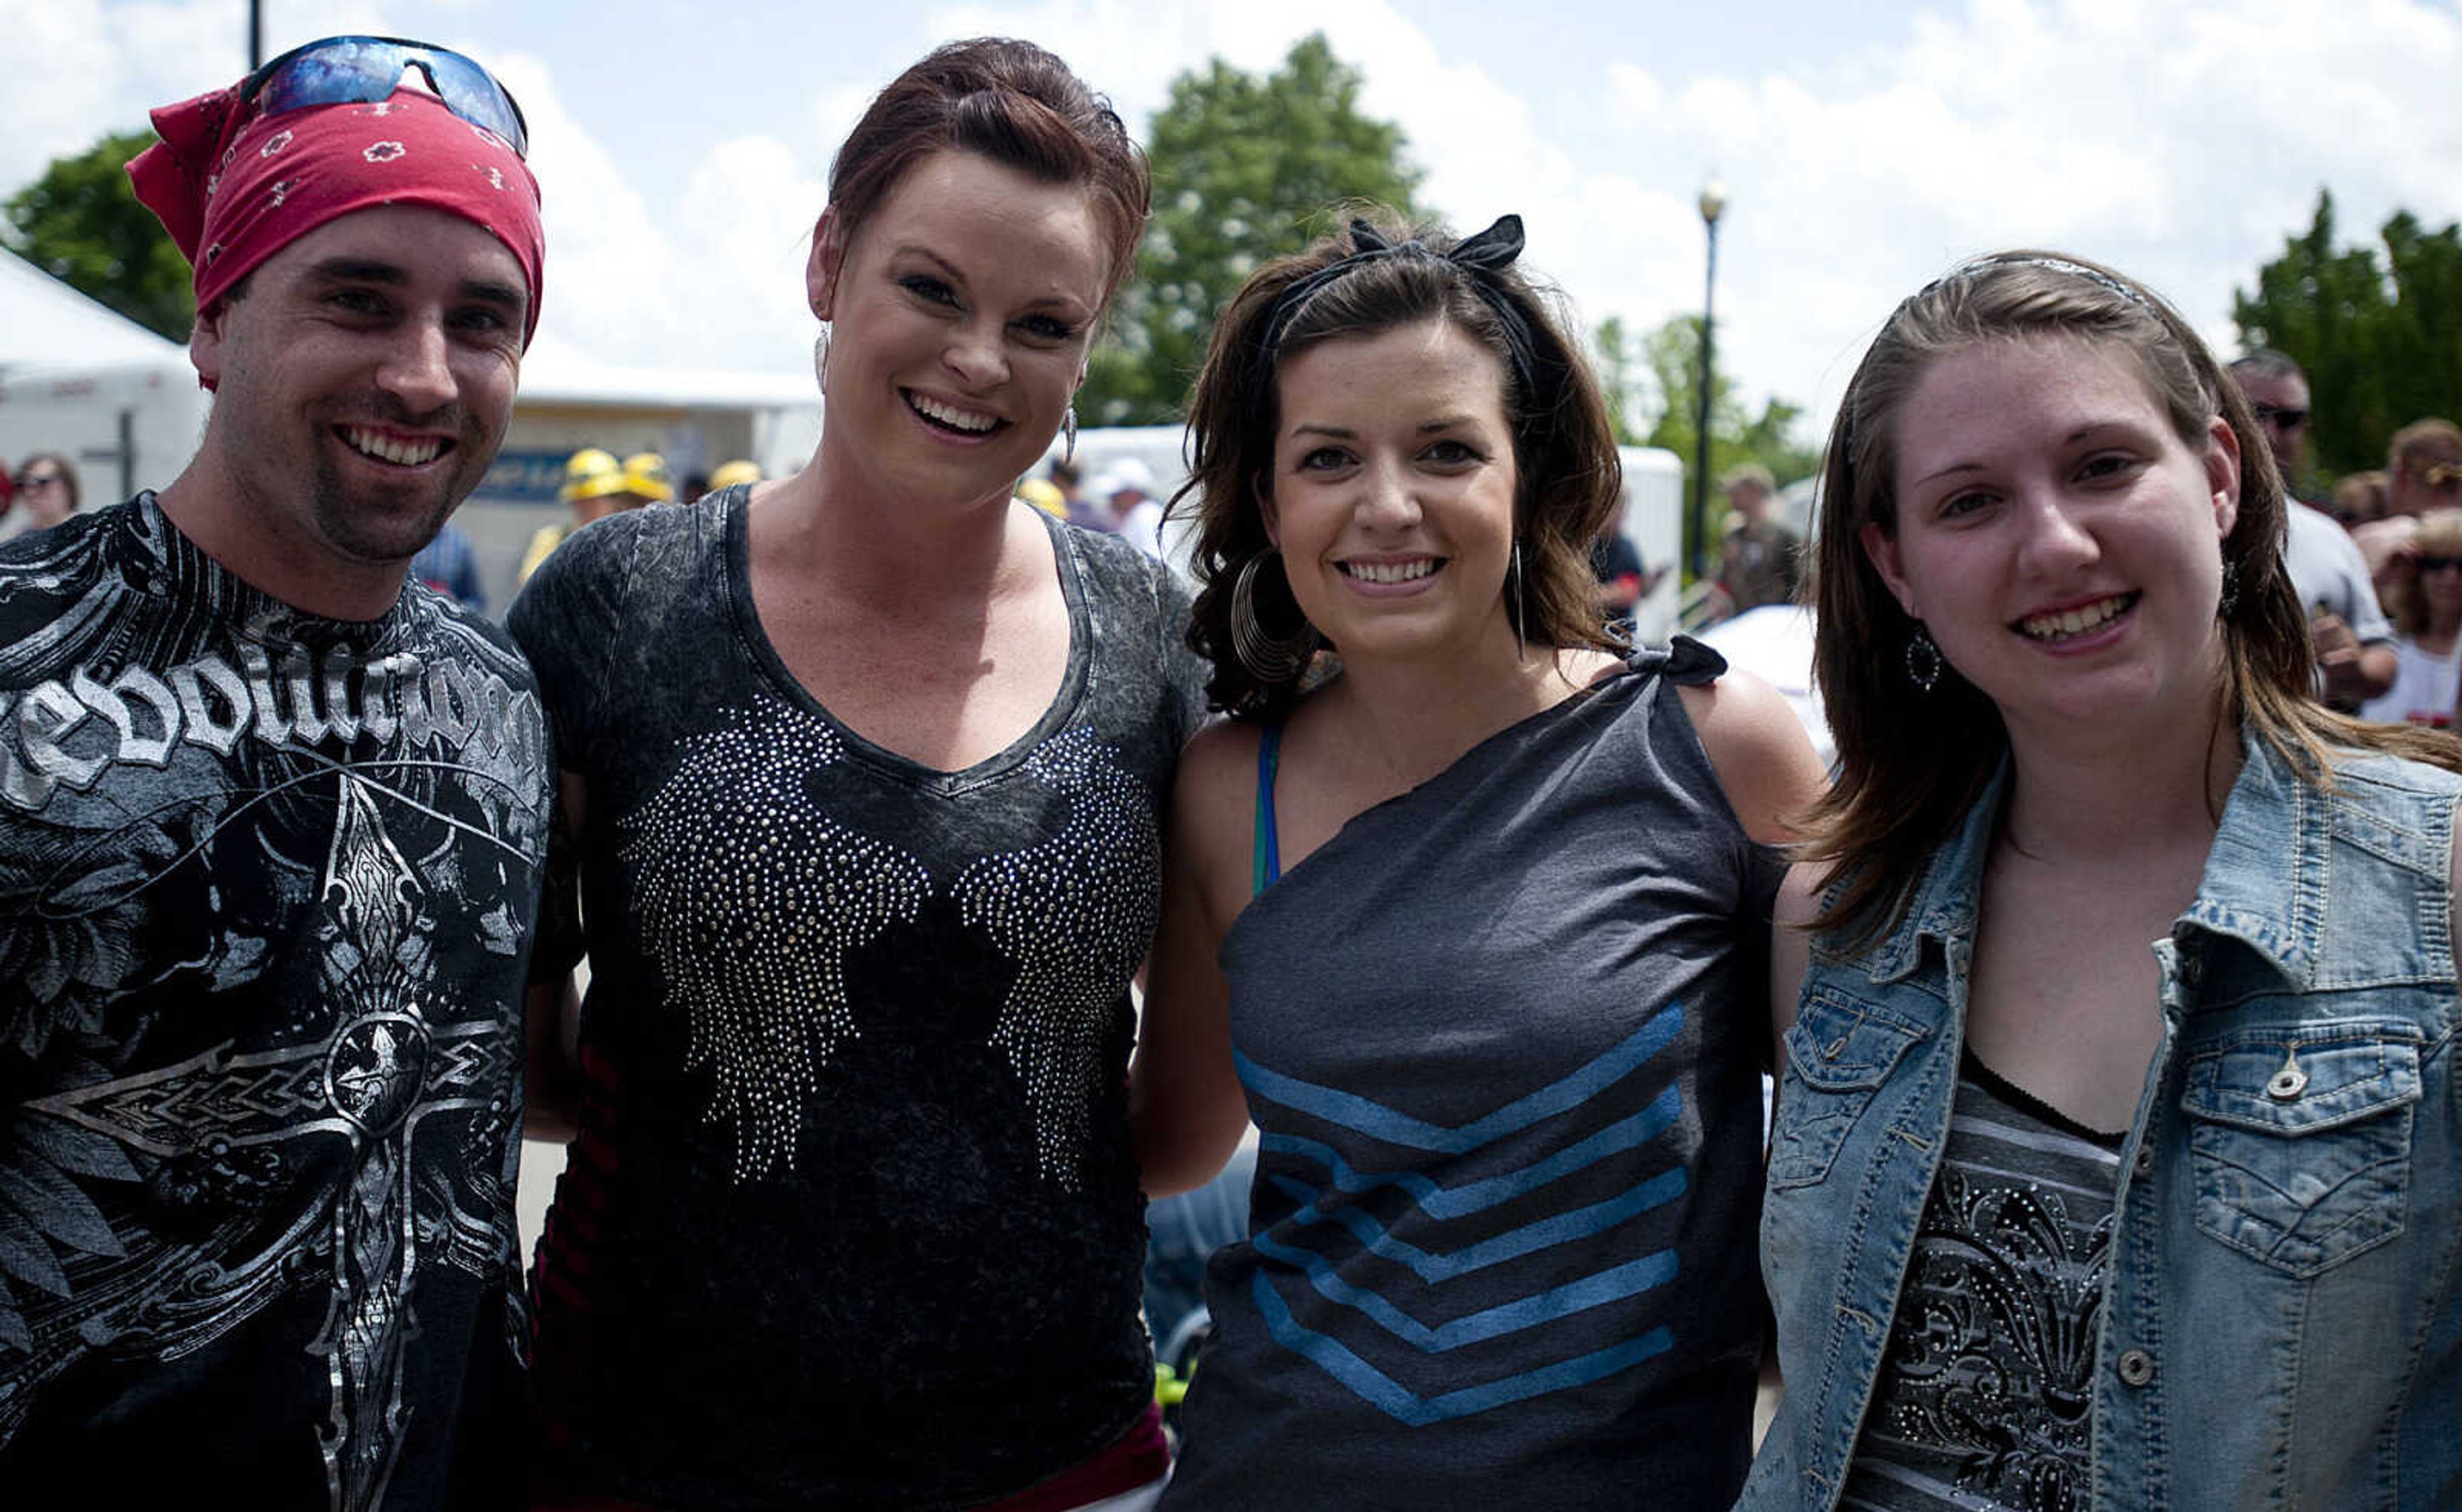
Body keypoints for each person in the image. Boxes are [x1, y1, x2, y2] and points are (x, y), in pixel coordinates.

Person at [508, 38, 1204, 1510]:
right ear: (828, 263)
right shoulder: (611, 606)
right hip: (639, 1447)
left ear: (1085, 352)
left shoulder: (1150, 639)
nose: (976, 359)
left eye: (1042, 323)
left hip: (1049, 1459)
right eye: (930, 288)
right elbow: (519, 1051)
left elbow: (1177, 1125)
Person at [1128, 211, 1826, 1508]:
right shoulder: (1229, 788)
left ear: (1534, 474)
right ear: (1269, 496)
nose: (1386, 504)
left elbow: (1875, 1150)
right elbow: (1168, 1148)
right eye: (1328, 456)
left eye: (1447, 449)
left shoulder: (1714, 748)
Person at [1745, 252, 2462, 1511]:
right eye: (1968, 502)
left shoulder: (2442, 882)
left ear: (2223, 478)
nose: (2057, 542)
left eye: (2102, 466)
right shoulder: (1838, 915)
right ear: (1896, 564)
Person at [0, 37, 551, 1510]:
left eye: (481, 320)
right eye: (358, 299)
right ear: (215, 316)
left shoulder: (501, 700)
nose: (424, 373)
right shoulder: (20, 662)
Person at [2227, 353, 2394, 711]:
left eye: (2288, 419)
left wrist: (2355, 667)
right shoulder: (2174, 530)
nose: (2269, 434)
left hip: (2313, 755)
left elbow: (2382, 654)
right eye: (2254, 414)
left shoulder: (2328, 537)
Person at [2360, 506, 2462, 728]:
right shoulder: (2386, 642)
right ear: (2416, 571)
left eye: (2461, 566)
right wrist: (2381, 580)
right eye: (2435, 564)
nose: (2450, 576)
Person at [1714, 460, 1801, 617]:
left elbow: (1801, 584)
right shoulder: (1734, 539)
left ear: (1756, 492)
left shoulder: (1784, 537)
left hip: (1775, 622)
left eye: (1737, 492)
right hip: (1740, 623)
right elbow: (1721, 581)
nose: (1731, 498)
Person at [10, 452, 82, 534]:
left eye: (43, 482)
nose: (30, 492)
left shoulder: (89, 532)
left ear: (67, 487)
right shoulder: (19, 538)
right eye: (22, 485)